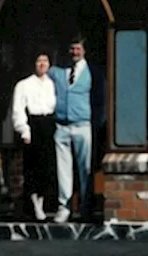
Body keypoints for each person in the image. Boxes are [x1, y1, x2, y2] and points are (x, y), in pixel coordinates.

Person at [49, 36, 105, 223]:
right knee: (62, 169)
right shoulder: (57, 72)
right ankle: (63, 207)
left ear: (84, 50)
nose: (74, 52)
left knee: (85, 168)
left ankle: (86, 206)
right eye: (72, 49)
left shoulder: (92, 72)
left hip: (83, 125)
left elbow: (100, 98)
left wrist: (98, 122)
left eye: (78, 49)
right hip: (62, 126)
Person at [11, 51, 58, 221]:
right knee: (32, 166)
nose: (42, 64)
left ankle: (43, 202)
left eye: (45, 61)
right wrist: (24, 130)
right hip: (33, 126)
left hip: (49, 125)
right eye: (39, 61)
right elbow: (18, 109)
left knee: (47, 166)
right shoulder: (24, 85)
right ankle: (33, 203)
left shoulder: (52, 84)